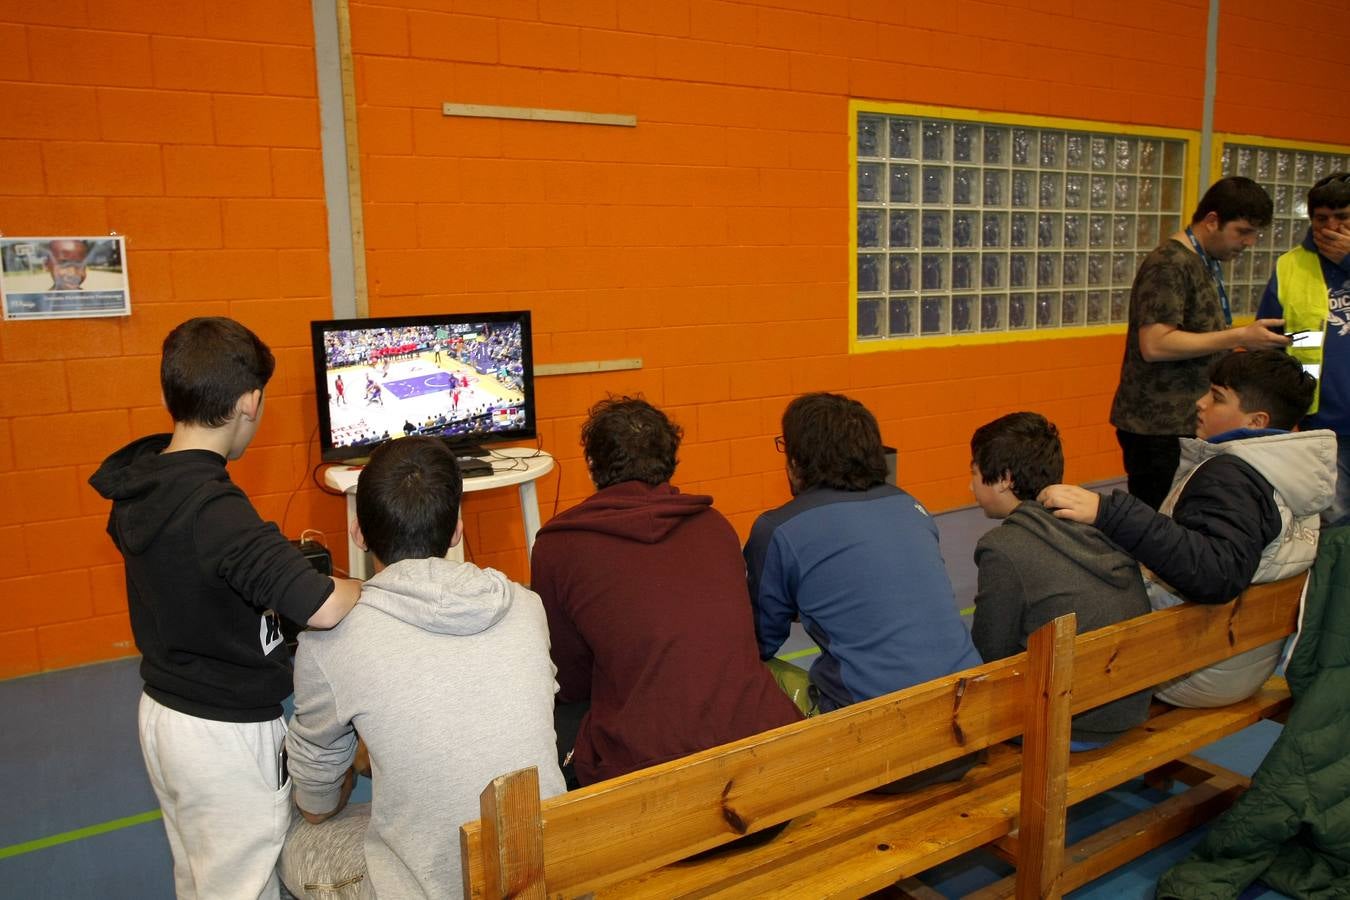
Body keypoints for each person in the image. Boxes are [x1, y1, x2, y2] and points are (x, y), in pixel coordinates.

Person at [88, 317, 362, 900]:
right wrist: (376, 587)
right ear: (248, 401)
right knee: (242, 883)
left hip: (165, 714)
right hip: (223, 732)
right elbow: (324, 607)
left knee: (200, 873)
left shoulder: (146, 483)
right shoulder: (214, 509)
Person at [283, 437, 564, 898]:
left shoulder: (332, 639)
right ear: (455, 528)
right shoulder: (526, 606)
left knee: (292, 835)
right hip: (542, 875)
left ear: (358, 532)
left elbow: (316, 804)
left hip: (435, 887)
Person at [531, 397, 802, 787]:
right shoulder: (716, 525)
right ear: (671, 460)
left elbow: (569, 680)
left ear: (592, 465)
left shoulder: (558, 545)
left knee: (553, 716)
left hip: (659, 790)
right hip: (771, 767)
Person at [1043, 350, 1336, 708]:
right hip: (1246, 662)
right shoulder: (1293, 473)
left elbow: (1215, 572)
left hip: (1192, 668)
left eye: (1216, 397)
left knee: (1048, 599)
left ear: (1258, 421)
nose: (1200, 403)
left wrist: (1111, 512)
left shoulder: (1231, 476)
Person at [745, 393, 982, 785]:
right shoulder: (911, 507)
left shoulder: (779, 529)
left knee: (755, 674)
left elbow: (758, 644)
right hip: (969, 729)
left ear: (798, 459)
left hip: (884, 757)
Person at [968, 412, 1151, 748]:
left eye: (975, 474)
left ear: (1005, 479)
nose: (970, 486)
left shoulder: (1003, 547)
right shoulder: (1097, 520)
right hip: (1128, 703)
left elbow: (990, 654)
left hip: (1070, 720)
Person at [1110, 177, 1291, 510]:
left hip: (1185, 423)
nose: (1249, 242)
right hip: (1158, 428)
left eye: (1255, 234)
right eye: (1243, 231)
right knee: (1158, 525)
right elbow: (1155, 344)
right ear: (1212, 221)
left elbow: (1197, 336)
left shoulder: (1203, 262)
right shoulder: (1169, 263)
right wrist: (1239, 335)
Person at [1257, 172, 1350, 526]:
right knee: (1332, 523)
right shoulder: (1291, 265)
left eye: (1342, 217)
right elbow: (1272, 343)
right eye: (1322, 218)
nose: (1331, 227)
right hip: (1321, 421)